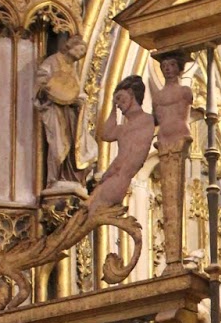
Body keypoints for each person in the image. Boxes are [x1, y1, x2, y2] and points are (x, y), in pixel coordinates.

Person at [87, 75, 154, 214]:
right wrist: (112, 107)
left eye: (120, 98)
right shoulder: (124, 128)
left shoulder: (146, 121)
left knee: (88, 215)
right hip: (113, 180)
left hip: (117, 181)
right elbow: (106, 134)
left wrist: (107, 175)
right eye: (116, 101)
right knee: (85, 215)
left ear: (131, 93)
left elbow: (124, 159)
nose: (118, 104)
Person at [34, 34, 94, 187]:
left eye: (83, 52)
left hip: (70, 112)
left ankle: (67, 177)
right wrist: (51, 91)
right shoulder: (53, 61)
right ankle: (55, 179)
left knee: (75, 144)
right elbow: (42, 81)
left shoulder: (73, 68)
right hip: (54, 109)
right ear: (70, 46)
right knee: (58, 145)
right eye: (80, 49)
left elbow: (75, 90)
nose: (80, 54)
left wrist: (79, 100)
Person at [151, 51, 194, 151]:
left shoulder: (185, 91)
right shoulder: (157, 96)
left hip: (181, 133)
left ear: (179, 67)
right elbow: (154, 120)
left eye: (172, 64)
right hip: (162, 135)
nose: (167, 68)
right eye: (164, 65)